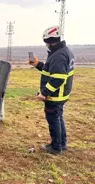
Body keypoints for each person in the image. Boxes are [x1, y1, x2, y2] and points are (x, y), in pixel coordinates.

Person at [29, 26, 74, 155]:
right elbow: (51, 71)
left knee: (54, 119)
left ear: (49, 40)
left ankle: (56, 147)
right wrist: (38, 64)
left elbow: (58, 78)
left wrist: (44, 93)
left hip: (55, 96)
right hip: (61, 95)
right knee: (58, 118)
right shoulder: (64, 52)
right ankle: (61, 143)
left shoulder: (58, 55)